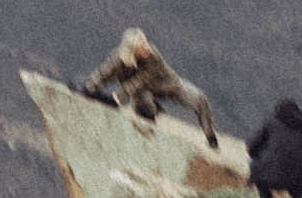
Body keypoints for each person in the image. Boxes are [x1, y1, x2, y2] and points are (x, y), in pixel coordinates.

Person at [82, 25, 218, 144]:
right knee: (145, 107)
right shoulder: (119, 58)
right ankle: (152, 123)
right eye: (142, 48)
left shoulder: (153, 56)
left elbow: (140, 80)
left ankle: (210, 135)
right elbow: (105, 73)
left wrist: (118, 96)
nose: (147, 48)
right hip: (143, 92)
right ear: (133, 51)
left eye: (146, 43)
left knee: (200, 99)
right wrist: (90, 86)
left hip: (168, 85)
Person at [245, 94, 302, 198]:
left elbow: (252, 145)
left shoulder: (270, 122)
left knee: (256, 165)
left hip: (268, 176)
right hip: (298, 178)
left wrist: (257, 156)